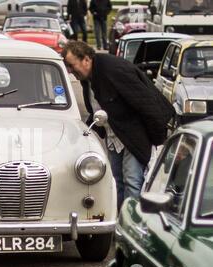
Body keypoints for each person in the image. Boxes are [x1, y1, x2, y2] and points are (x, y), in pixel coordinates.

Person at [62, 41, 174, 211]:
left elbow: (146, 103)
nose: (70, 71)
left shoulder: (113, 70)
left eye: (71, 65)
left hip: (135, 133)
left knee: (133, 181)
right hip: (115, 134)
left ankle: (132, 224)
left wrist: (158, 140)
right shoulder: (88, 77)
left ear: (85, 59)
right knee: (115, 182)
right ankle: (118, 221)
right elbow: (97, 109)